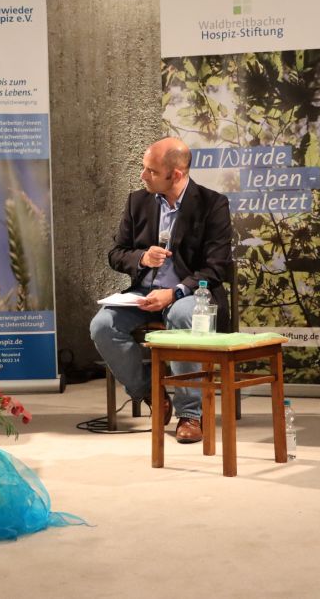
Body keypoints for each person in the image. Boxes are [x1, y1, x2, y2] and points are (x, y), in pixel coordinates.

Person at [89, 137, 232, 444]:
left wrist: (176, 292)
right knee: (102, 325)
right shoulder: (137, 202)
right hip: (144, 293)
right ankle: (153, 394)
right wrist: (141, 257)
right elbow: (116, 253)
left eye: (151, 171)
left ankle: (190, 414)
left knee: (182, 315)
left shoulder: (212, 204)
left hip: (192, 295)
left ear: (176, 174)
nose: (143, 176)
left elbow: (217, 267)